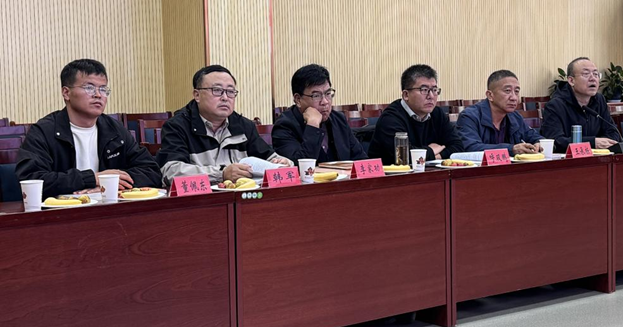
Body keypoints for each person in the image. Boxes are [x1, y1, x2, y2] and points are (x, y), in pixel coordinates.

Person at [15, 59, 161, 198]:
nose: (98, 95)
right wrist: (91, 179)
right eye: (89, 88)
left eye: (103, 89)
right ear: (66, 93)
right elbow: (31, 180)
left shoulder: (114, 130)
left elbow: (151, 171)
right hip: (61, 210)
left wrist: (110, 184)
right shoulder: (43, 131)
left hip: (108, 207)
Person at [157, 65, 291, 186]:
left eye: (230, 92)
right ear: (197, 95)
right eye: (217, 90)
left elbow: (269, 157)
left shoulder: (243, 126)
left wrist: (282, 162)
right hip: (198, 200)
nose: (225, 97)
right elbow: (170, 171)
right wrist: (221, 174)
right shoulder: (177, 126)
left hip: (241, 198)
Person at [369, 64, 464, 164]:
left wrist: (436, 156)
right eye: (424, 90)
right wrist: (431, 151)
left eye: (434, 90)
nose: (431, 96)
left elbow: (458, 147)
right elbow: (403, 157)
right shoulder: (390, 118)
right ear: (406, 95)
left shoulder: (437, 114)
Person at [272, 64, 368, 163]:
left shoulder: (339, 119)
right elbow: (298, 165)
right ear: (298, 99)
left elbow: (361, 160)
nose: (325, 102)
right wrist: (313, 125)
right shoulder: (284, 126)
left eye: (328, 94)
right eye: (316, 96)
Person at [541, 58, 621, 152]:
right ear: (571, 81)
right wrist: (592, 143)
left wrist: (604, 143)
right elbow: (555, 142)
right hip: (568, 159)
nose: (593, 78)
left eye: (596, 74)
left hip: (598, 156)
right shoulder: (555, 106)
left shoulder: (599, 100)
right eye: (586, 74)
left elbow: (613, 132)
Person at [456, 70, 543, 153]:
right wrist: (511, 149)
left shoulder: (515, 117)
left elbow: (534, 137)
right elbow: (471, 148)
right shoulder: (469, 116)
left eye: (516, 91)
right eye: (507, 91)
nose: (514, 98)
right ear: (490, 95)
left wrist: (539, 143)